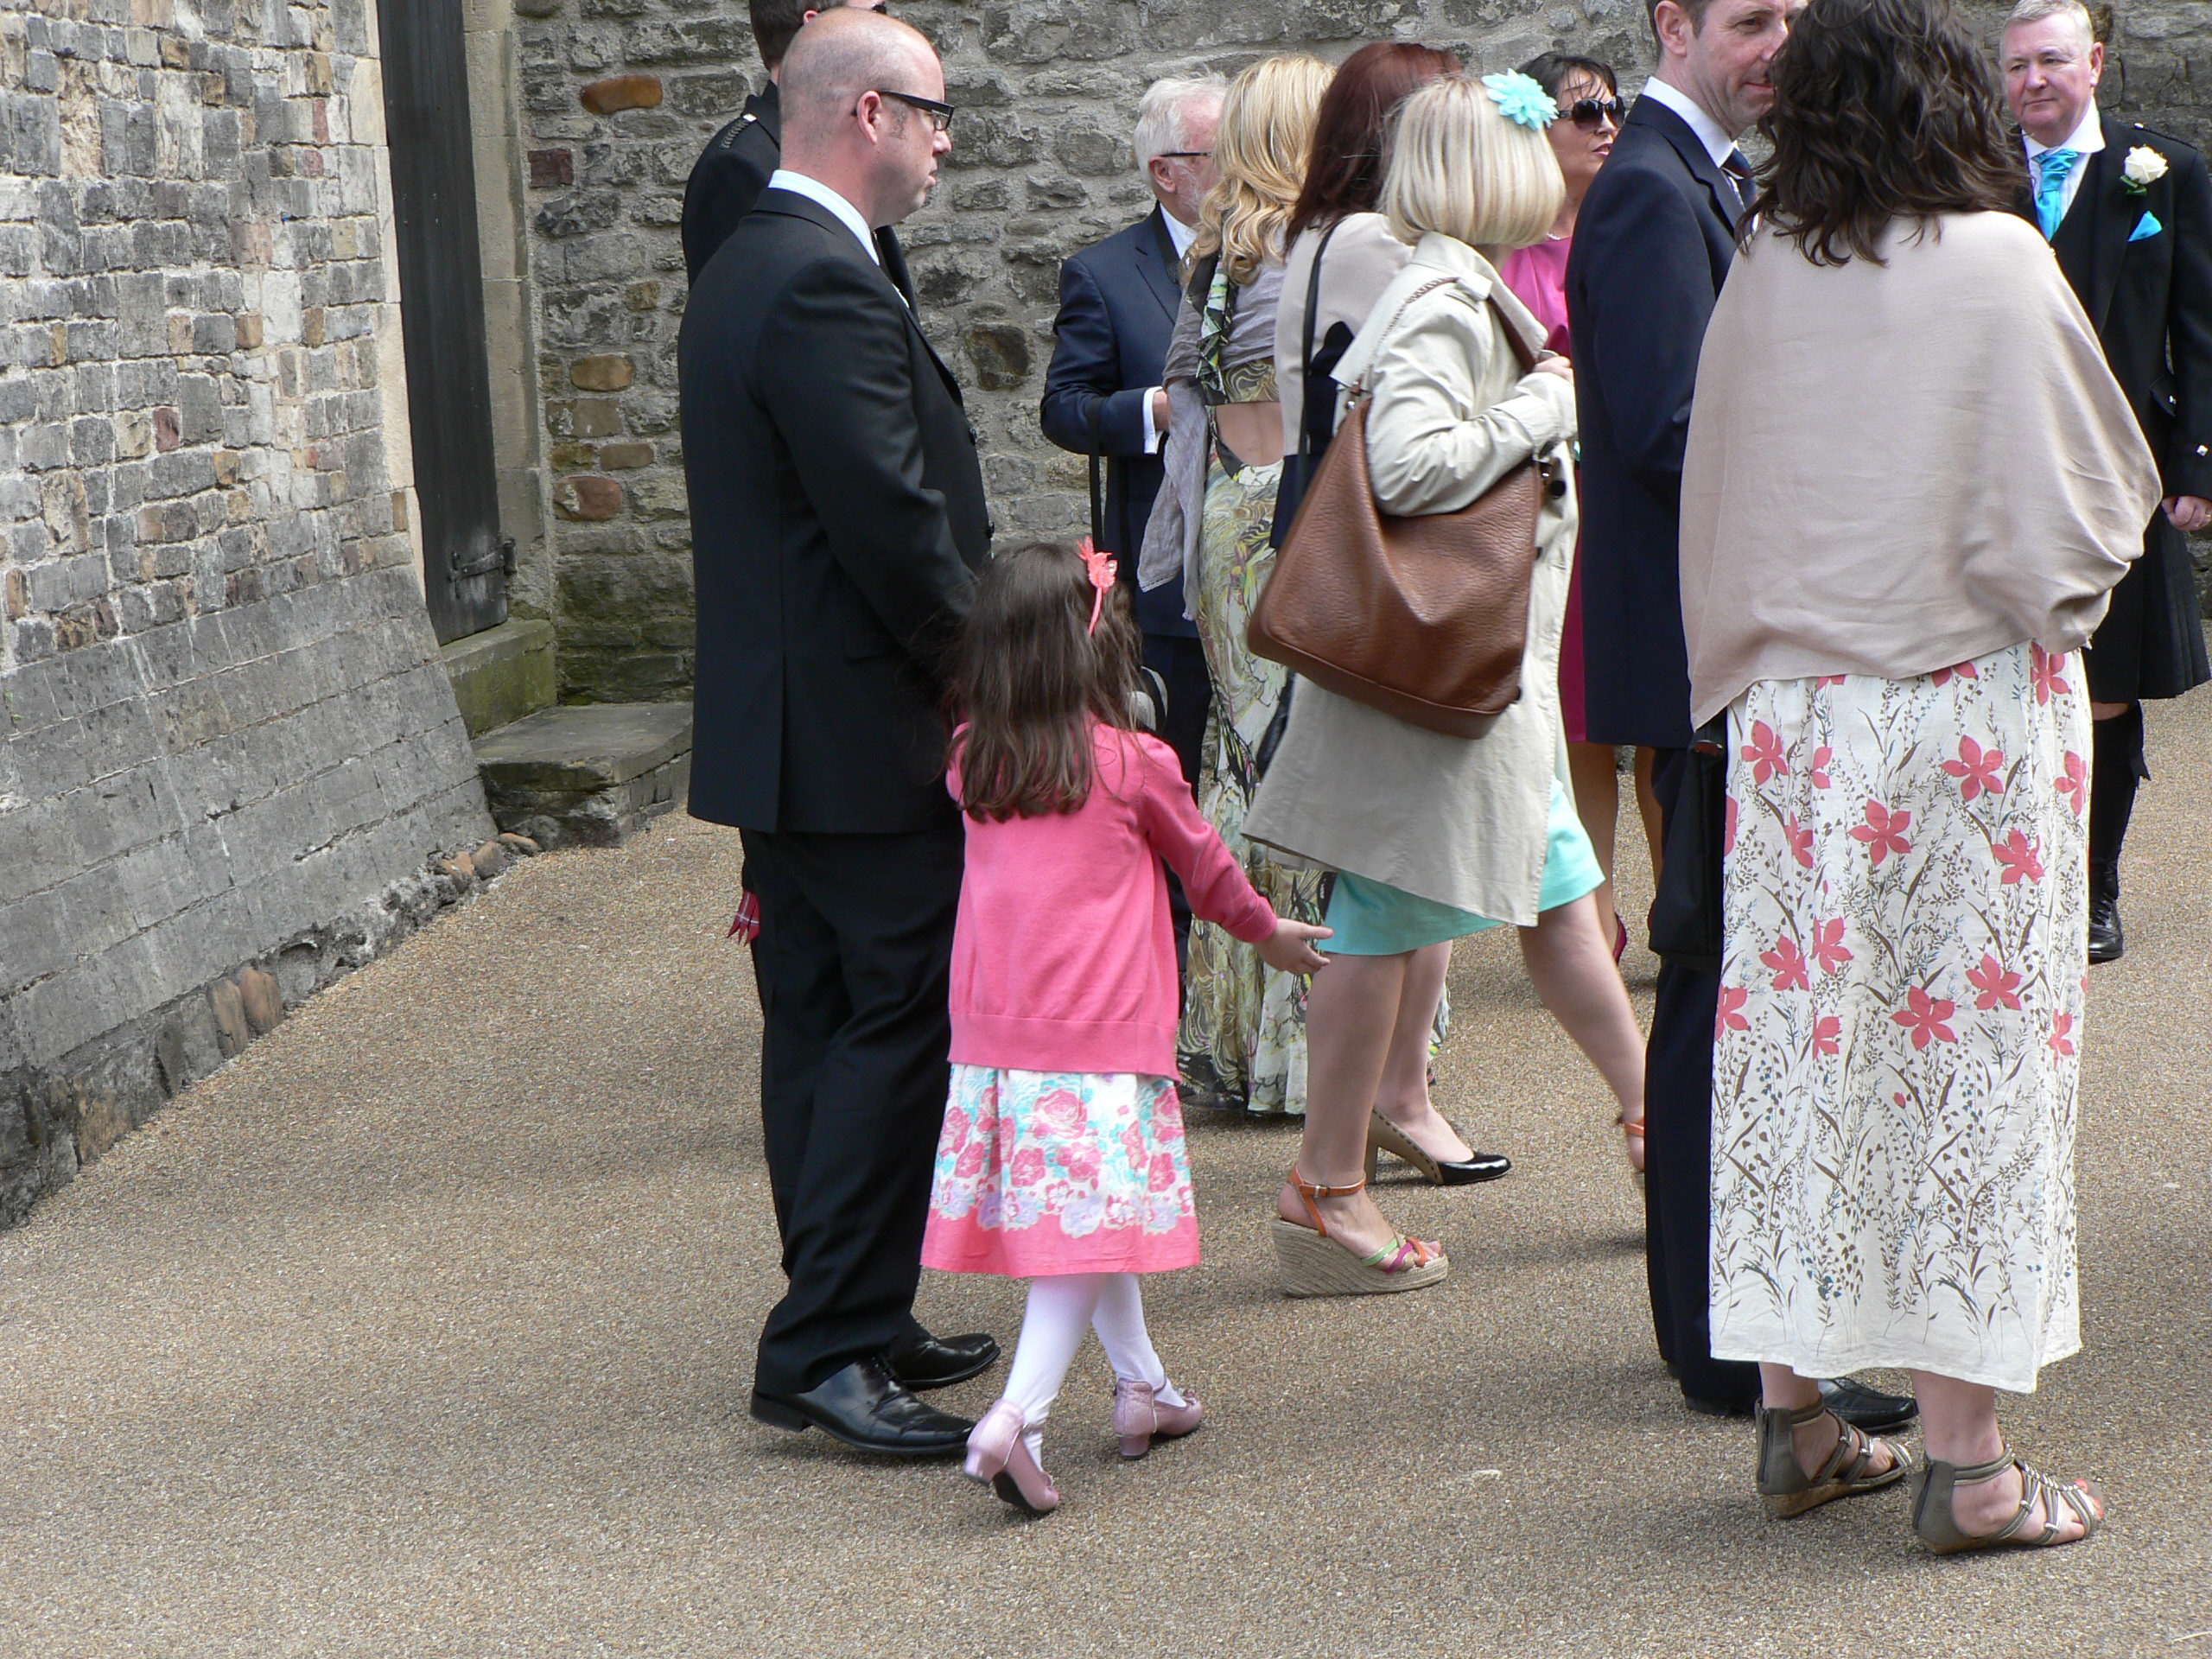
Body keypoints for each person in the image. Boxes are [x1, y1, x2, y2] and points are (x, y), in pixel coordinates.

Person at [1683, 0, 2155, 1549]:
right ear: (1952, 103)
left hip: (1792, 725)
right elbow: (2095, 499)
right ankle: (1971, 1467)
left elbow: (1715, 488)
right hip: (1965, 717)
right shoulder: (1998, 260)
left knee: (1799, 1060)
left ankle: (1797, 1419)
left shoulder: (1764, 263)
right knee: (1971, 1068)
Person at [1567, 0, 1916, 1433]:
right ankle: (1723, 1344)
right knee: (1716, 995)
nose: (1780, 42)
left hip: (1718, 650)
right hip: (1704, 664)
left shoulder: (1697, 177)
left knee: (1725, 991)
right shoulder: (1652, 191)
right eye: (1751, 17)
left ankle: (1728, 1325)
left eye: (1792, 15)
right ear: (1674, 24)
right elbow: (1670, 427)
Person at [1243, 73, 1649, 1296]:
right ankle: (1325, 1188)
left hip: (1476, 688)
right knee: (1379, 925)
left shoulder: (1454, 285)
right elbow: (1411, 469)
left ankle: (1656, 1124)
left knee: (1562, 896)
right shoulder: (1441, 302)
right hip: (1438, 692)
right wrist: (1542, 402)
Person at [679, 9, 995, 1457]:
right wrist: (997, 682)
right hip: (860, 730)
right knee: (897, 1018)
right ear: (872, 114)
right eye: (936, 115)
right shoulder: (815, 278)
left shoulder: (761, 256)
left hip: (792, 725)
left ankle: (855, 1310)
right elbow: (895, 532)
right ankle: (821, 1345)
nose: (945, 144)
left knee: (817, 1022)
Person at [925, 543, 1332, 1516]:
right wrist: (1268, 934)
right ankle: (1018, 1417)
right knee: (1087, 1230)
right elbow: (1209, 873)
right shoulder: (1133, 764)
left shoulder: (973, 759)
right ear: (1096, 648)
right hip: (1099, 1044)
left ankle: (1144, 1388)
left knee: (1092, 1217)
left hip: (998, 1045)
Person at [1271, 41, 1494, 1185]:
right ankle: (1384, 1106)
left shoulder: (1316, 235)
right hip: (1380, 566)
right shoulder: (1376, 247)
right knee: (1399, 863)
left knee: (1401, 860)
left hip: (1333, 548)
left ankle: (1389, 1101)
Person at [1137, 54, 1334, 1116]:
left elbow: (1186, 409)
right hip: (1294, 519)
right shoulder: (1317, 252)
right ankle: (1306, 1051)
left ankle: (1232, 1037)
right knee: (1310, 764)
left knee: (1241, 760)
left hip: (1224, 518)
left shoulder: (1215, 257)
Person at [1999, 0, 2212, 964]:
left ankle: (2093, 889)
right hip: (2000, 474)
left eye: (2050, 61)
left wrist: (2195, 463)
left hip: (2121, 470)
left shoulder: (2161, 169)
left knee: (2107, 686)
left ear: (2092, 61)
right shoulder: (1971, 173)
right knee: (2006, 682)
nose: (2032, 81)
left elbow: (2199, 329)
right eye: (2015, 67)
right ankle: (2017, 880)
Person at [1498, 52, 1660, 969]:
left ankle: (1683, 912)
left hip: (1633, 496)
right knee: (1577, 730)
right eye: (1585, 112)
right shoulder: (1504, 249)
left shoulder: (1632, 223)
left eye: (1614, 109)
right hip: (1550, 505)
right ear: (1534, 129)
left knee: (1663, 721)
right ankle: (1593, 925)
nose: (1607, 126)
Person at [1040, 76, 1227, 821]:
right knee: (1166, 779)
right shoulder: (1104, 272)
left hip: (1263, 563)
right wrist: (1156, 409)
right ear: (1166, 171)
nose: (1244, 166)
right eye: (1223, 152)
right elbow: (1064, 409)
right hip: (1165, 583)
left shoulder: (1273, 257)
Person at [679, 0, 914, 297]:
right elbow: (738, 313)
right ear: (817, 29)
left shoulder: (842, 145)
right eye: (876, 14)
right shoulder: (738, 166)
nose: (890, 32)